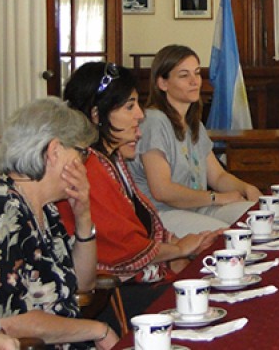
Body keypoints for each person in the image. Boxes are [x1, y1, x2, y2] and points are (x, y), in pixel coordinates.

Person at [59, 62, 218, 284]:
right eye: (129, 107)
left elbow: (141, 223)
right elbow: (122, 247)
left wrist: (185, 244)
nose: (140, 115)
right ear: (96, 114)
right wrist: (179, 250)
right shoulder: (90, 167)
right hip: (115, 287)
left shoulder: (111, 158)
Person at [0, 98, 119, 349]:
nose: (85, 165)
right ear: (55, 151)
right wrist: (97, 330)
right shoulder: (1, 208)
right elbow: (5, 321)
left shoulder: (45, 208)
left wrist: (83, 216)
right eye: (82, 153)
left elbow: (83, 286)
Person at [130, 45, 261, 236]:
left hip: (198, 207)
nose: (194, 81)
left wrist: (246, 188)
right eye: (184, 75)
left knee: (258, 217)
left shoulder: (194, 124)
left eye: (197, 73)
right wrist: (216, 198)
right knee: (230, 235)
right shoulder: (154, 121)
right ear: (163, 83)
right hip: (162, 213)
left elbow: (218, 177)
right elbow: (162, 190)